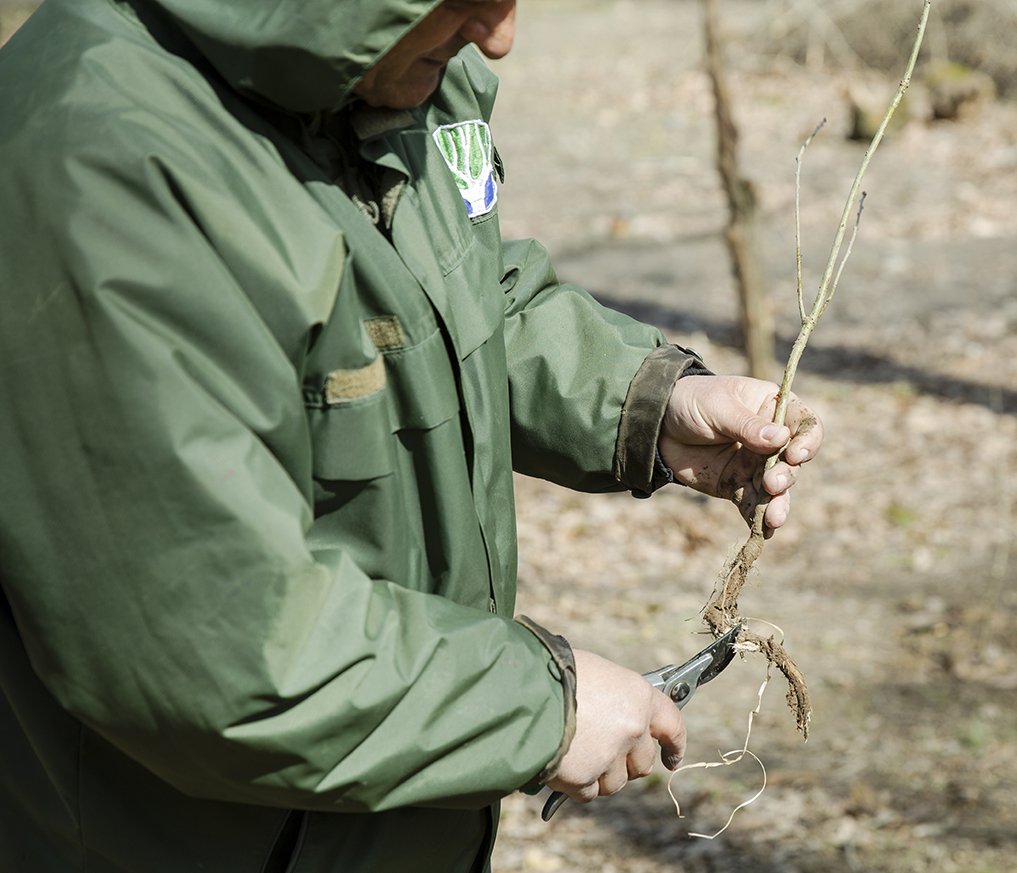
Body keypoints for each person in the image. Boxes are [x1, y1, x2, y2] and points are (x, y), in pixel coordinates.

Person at [0, 0, 823, 871]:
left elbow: (444, 300)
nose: (498, 39)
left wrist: (647, 402)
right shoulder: (103, 160)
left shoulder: (392, 71)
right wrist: (540, 708)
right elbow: (209, 639)